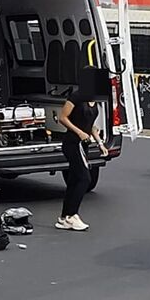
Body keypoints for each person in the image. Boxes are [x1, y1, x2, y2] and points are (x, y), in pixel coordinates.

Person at [57, 72, 109, 232]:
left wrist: (100, 143)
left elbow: (91, 126)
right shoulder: (76, 97)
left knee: (74, 179)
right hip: (73, 143)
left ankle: (64, 217)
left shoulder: (94, 101)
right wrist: (79, 132)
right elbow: (62, 117)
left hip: (83, 144)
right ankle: (72, 215)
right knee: (84, 178)